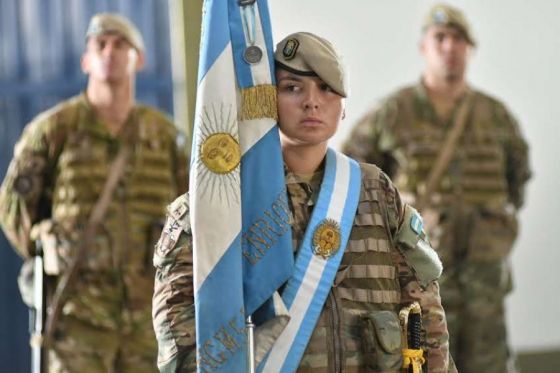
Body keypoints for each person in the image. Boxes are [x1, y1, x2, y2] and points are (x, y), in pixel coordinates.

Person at [153, 31, 454, 372]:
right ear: (267, 99)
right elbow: (177, 324)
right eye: (292, 87)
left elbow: (424, 304)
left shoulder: (376, 191)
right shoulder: (224, 198)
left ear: (343, 105)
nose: (312, 102)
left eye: (326, 88)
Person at [342, 4, 531, 373]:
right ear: (424, 47)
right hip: (419, 271)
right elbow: (354, 175)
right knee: (423, 361)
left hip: (483, 274)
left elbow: (517, 179)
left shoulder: (496, 115)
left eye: (458, 39)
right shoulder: (393, 112)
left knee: (487, 361)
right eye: (440, 38)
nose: (449, 47)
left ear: (470, 49)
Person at [0, 13, 188, 372]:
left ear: (139, 59)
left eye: (121, 45)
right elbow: (14, 210)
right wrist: (50, 250)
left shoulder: (166, 138)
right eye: (100, 45)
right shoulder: (54, 130)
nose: (110, 52)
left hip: (149, 320)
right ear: (86, 59)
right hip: (77, 321)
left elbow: (191, 214)